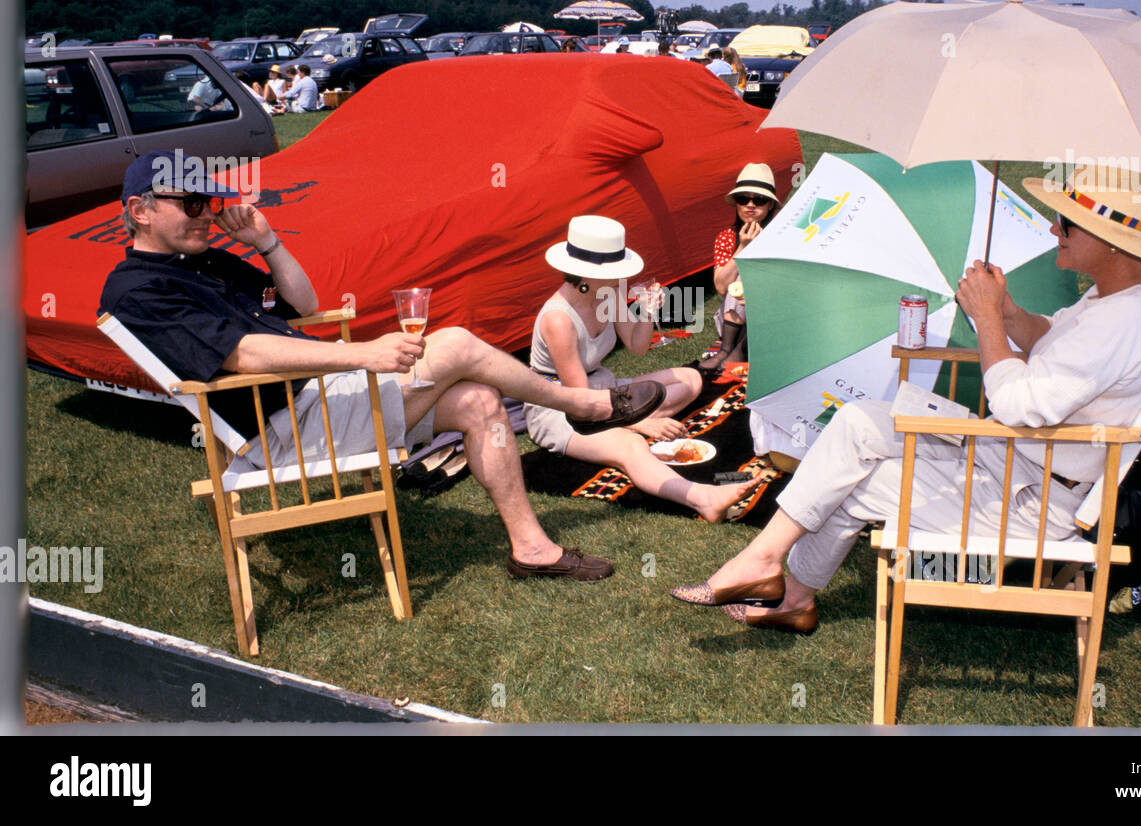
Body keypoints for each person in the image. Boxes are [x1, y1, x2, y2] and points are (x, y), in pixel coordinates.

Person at [101, 151, 669, 582]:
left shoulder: (204, 262)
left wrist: (267, 241)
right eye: (192, 204)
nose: (207, 216)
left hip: (316, 402)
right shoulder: (138, 289)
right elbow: (241, 354)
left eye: (212, 203)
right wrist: (362, 354)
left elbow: (300, 306)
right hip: (283, 431)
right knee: (454, 344)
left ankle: (532, 550)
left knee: (480, 401)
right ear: (139, 211)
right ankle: (586, 405)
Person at [671, 168, 1141, 633]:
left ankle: (791, 592)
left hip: (1033, 494)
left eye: (1068, 223)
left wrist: (987, 320)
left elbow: (1015, 405)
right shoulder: (1125, 295)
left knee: (860, 479)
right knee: (858, 422)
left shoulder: (1123, 323)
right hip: (1020, 458)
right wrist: (1009, 311)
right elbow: (1051, 336)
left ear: (1113, 243)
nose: (1056, 229)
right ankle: (767, 564)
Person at [524, 216, 760, 523]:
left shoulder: (606, 292)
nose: (619, 278)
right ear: (584, 273)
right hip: (562, 405)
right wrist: (640, 423)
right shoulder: (559, 320)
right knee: (631, 445)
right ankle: (702, 499)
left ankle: (620, 430)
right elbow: (580, 402)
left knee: (690, 379)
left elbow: (637, 346)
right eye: (613, 273)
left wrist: (647, 309)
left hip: (601, 387)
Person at [696, 163, 782, 377]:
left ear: (770, 205)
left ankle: (737, 350)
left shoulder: (781, 236)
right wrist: (742, 248)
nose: (750, 205)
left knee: (750, 276)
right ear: (736, 203)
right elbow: (722, 287)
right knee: (739, 275)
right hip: (733, 319)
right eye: (744, 199)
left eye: (759, 200)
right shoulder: (727, 237)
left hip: (773, 316)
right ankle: (727, 349)